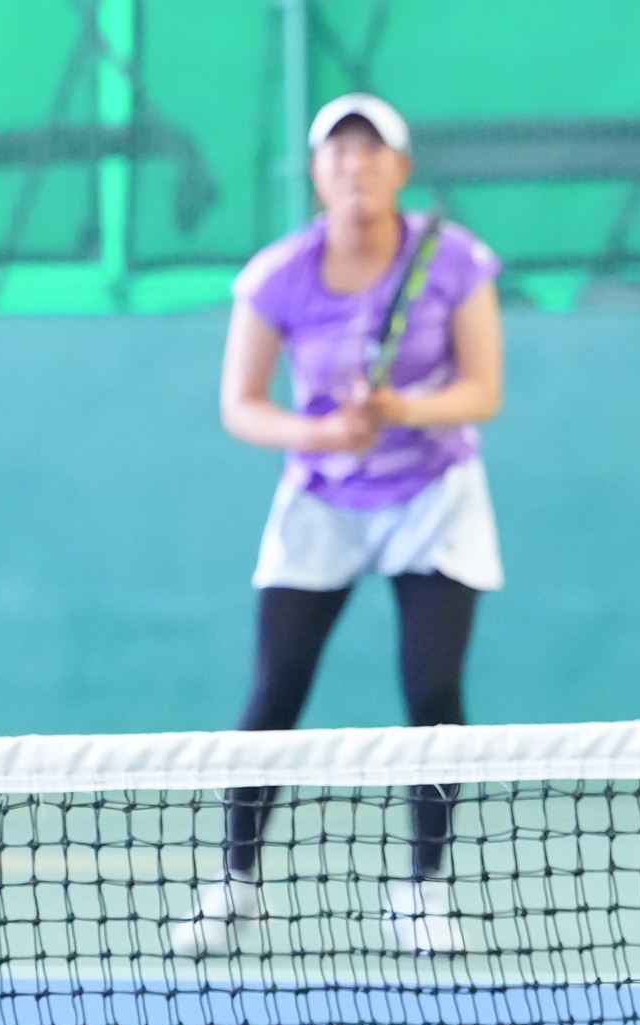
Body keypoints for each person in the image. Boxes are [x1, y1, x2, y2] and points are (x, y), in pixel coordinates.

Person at [171, 92, 505, 959]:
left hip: (434, 494)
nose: (355, 166)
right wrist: (324, 433)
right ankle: (235, 883)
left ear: (401, 169)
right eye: (338, 153)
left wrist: (402, 409)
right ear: (317, 173)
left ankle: (423, 892)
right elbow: (243, 406)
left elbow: (482, 391)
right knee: (275, 690)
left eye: (371, 151)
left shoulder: (455, 260)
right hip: (322, 495)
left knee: (434, 694)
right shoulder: (278, 274)